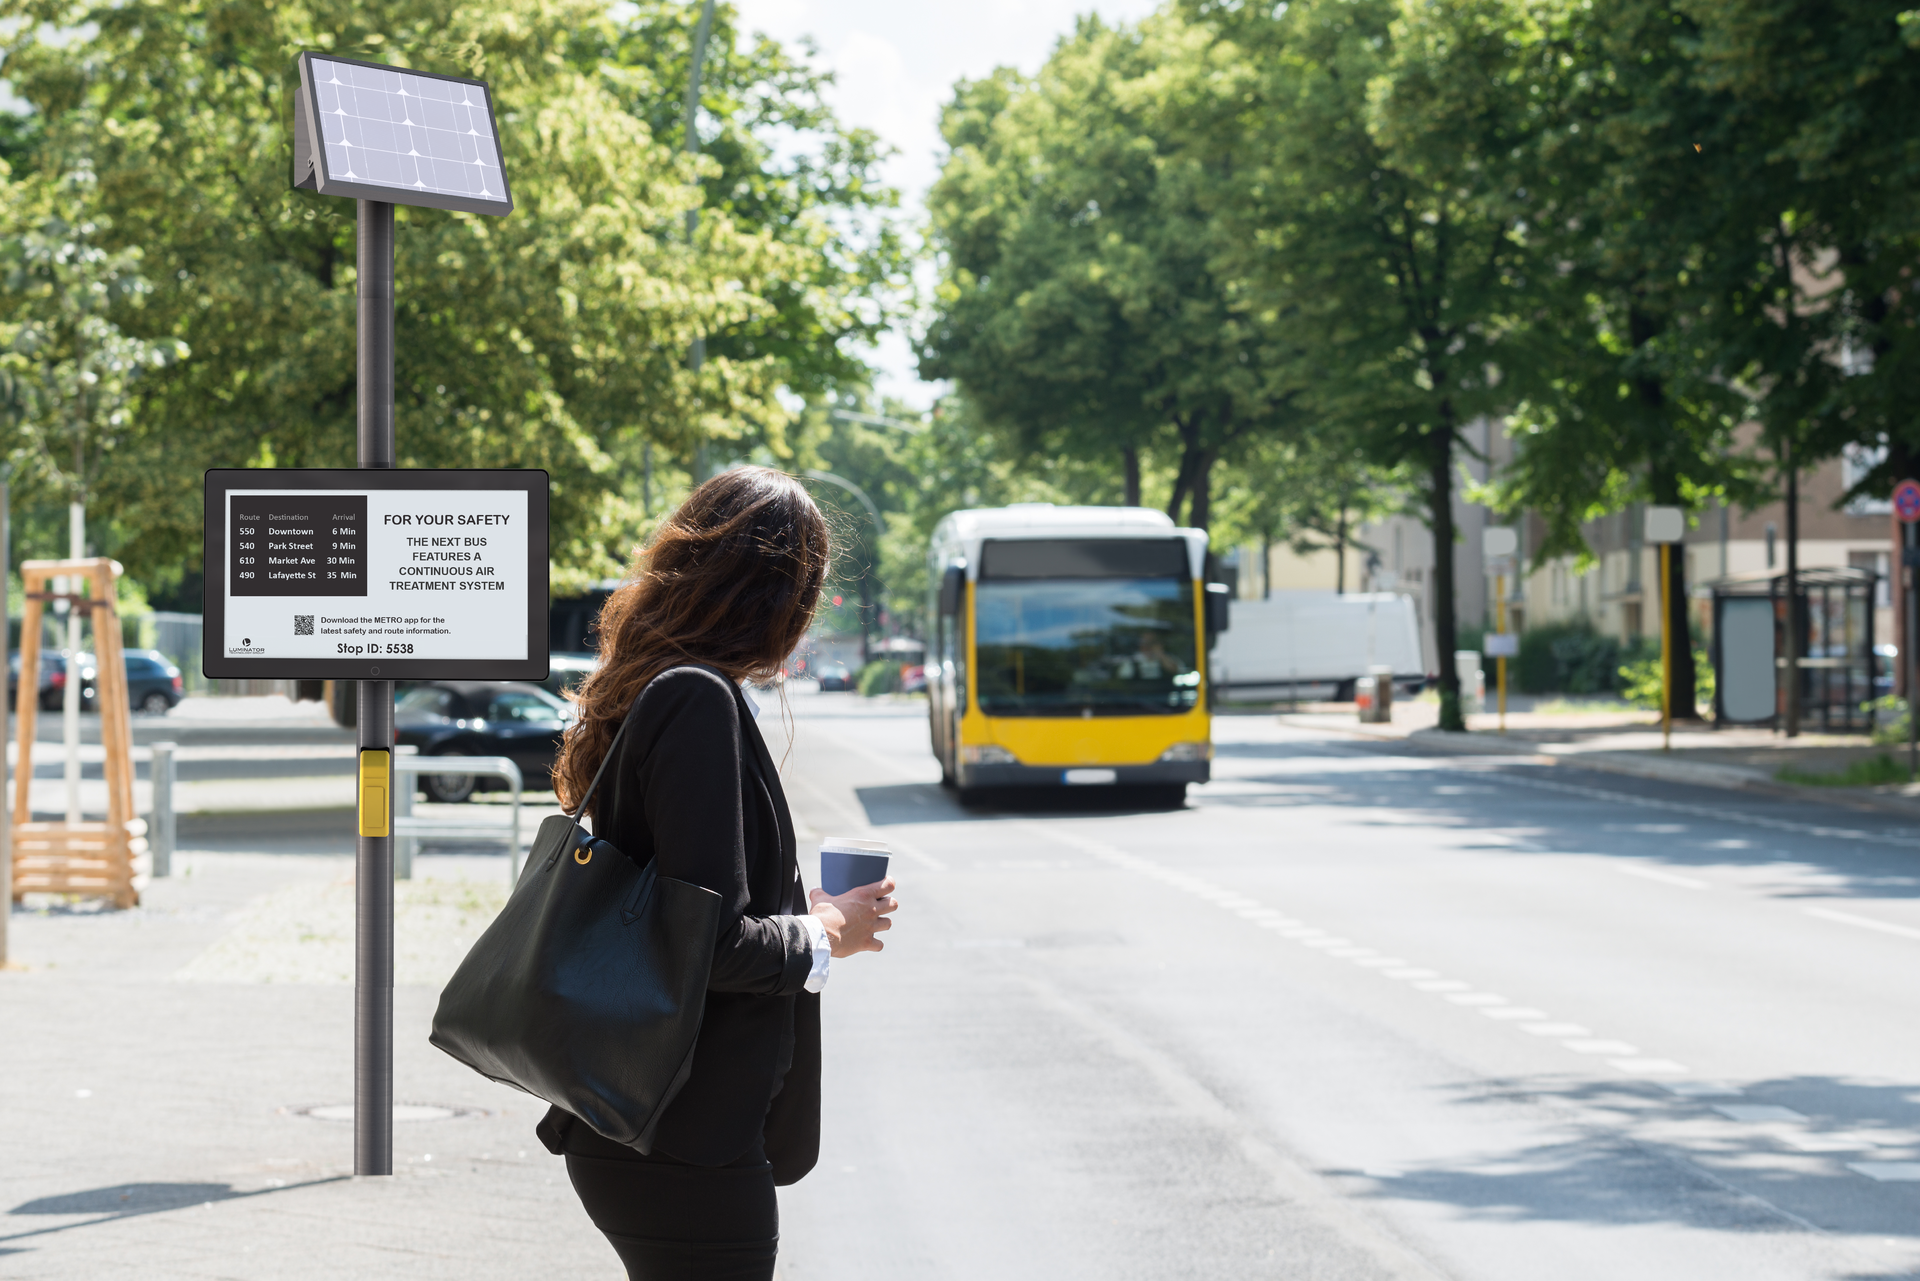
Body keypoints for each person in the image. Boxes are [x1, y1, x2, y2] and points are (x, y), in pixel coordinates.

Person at [543, 466, 898, 1280]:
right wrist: (826, 931)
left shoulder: (662, 689)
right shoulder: (697, 699)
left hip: (644, 1130)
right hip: (683, 1139)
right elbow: (707, 944)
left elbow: (683, 900)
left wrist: (797, 907)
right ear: (775, 593)